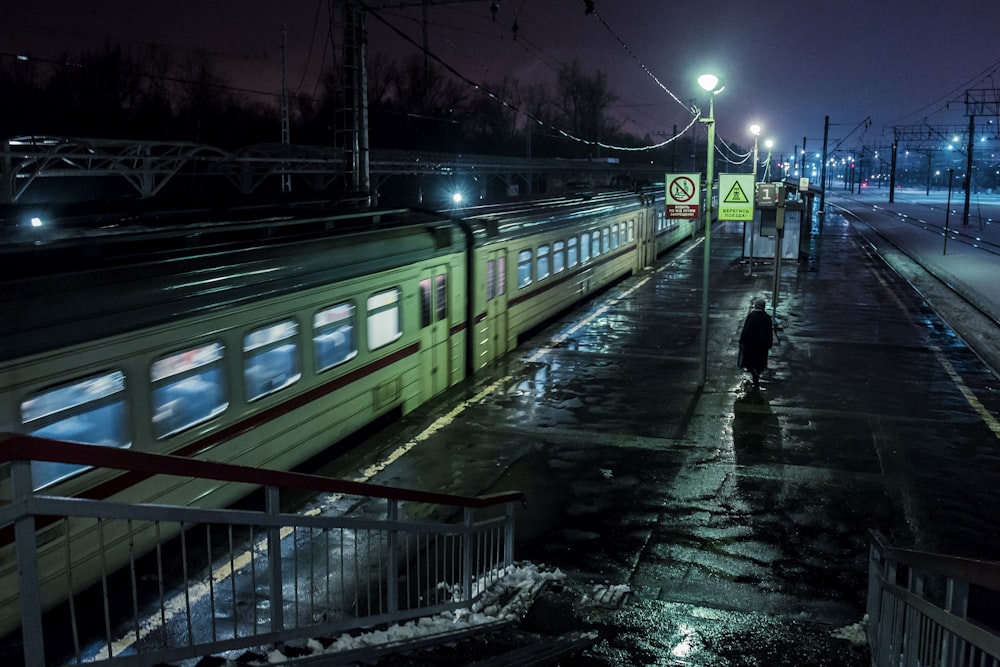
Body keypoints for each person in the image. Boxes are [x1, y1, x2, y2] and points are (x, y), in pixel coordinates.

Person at [739, 297, 774, 388]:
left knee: (751, 361)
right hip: (762, 345)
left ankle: (754, 373)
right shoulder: (767, 318)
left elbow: (746, 330)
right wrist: (769, 343)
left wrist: (742, 341)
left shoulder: (751, 316)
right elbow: (769, 332)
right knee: (760, 362)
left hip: (751, 344)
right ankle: (757, 374)